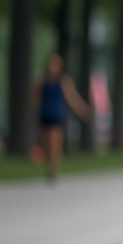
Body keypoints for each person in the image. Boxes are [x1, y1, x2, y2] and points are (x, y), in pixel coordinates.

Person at [31, 54, 91, 183]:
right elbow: (35, 99)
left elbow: (72, 98)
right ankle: (49, 164)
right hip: (44, 114)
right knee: (46, 144)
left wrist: (82, 110)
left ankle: (52, 171)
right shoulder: (40, 80)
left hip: (57, 115)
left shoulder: (63, 81)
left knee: (54, 143)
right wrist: (32, 113)